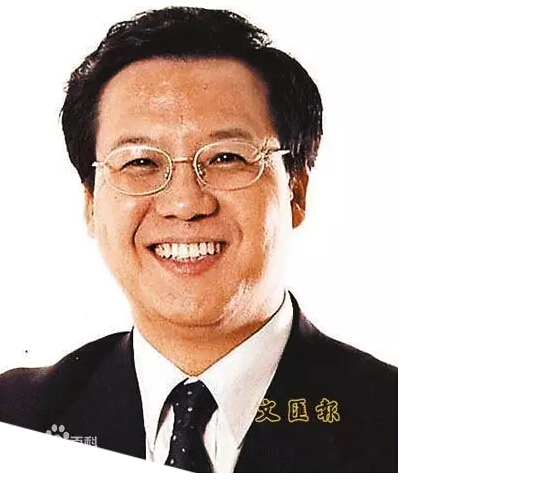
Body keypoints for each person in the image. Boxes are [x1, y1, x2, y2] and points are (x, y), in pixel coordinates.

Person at [0, 7, 397, 473]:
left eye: (227, 157)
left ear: (296, 191)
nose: (185, 204)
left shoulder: (397, 421)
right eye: (141, 162)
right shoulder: (18, 418)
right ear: (91, 202)